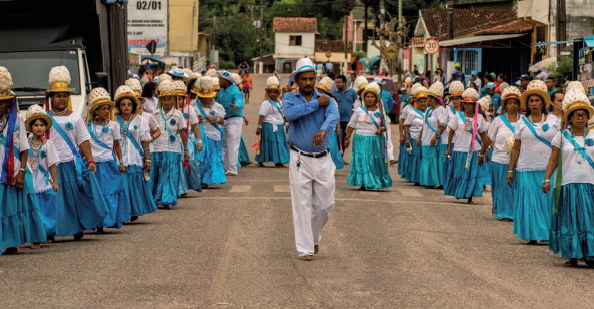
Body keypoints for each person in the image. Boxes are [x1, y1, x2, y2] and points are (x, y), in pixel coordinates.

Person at [283, 58, 339, 261]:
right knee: (302, 204)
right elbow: (290, 115)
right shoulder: (290, 99)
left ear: (315, 79)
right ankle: (305, 248)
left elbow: (333, 116)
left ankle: (314, 237)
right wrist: (315, 104)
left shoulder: (327, 99)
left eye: (311, 78)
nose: (308, 82)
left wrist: (323, 130)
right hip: (299, 157)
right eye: (304, 79)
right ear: (297, 79)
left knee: (326, 205)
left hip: (323, 158)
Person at [44, 66, 108, 241]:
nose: (62, 98)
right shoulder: (44, 117)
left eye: (65, 95)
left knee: (74, 197)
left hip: (72, 164)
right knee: (52, 198)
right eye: (58, 95)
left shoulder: (75, 118)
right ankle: (51, 231)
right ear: (51, 97)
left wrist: (90, 161)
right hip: (51, 165)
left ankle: (77, 227)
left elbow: (83, 141)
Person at [544, 89, 594, 267]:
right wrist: (547, 179)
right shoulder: (561, 136)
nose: (580, 118)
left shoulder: (593, 136)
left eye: (583, 115)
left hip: (589, 185)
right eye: (576, 115)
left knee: (589, 219)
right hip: (567, 184)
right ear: (569, 119)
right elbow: (553, 159)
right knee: (571, 219)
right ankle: (573, 256)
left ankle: (589, 255)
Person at [0, 71, 46, 254]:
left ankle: (12, 242)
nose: (1, 105)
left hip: (14, 172)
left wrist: (21, 172)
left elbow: (24, 148)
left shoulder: (18, 118)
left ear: (10, 101)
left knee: (12, 208)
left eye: (4, 101)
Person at [507, 80, 559, 245]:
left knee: (547, 201)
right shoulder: (521, 122)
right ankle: (533, 234)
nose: (534, 103)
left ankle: (547, 233)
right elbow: (516, 147)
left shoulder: (554, 121)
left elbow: (560, 145)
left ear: (543, 102)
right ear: (527, 104)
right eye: (531, 101)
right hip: (525, 167)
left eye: (537, 100)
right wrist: (510, 169)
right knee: (530, 201)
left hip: (548, 168)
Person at [86, 87, 130, 232]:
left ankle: (108, 221)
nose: (106, 111)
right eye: (103, 109)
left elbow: (117, 145)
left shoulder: (113, 125)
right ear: (95, 111)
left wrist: (121, 162)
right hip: (94, 165)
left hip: (109, 163)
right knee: (97, 194)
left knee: (110, 192)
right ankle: (97, 223)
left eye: (107, 109)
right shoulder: (87, 126)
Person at [113, 86, 157, 222]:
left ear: (133, 105)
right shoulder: (114, 120)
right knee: (121, 185)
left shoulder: (141, 120)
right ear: (119, 106)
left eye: (129, 104)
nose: (126, 106)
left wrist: (148, 159)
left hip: (135, 157)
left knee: (133, 185)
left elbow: (145, 141)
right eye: (123, 104)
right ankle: (122, 212)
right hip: (118, 157)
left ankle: (134, 211)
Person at [479, 87, 522, 220]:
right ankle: (503, 212)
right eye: (509, 103)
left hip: (519, 160)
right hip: (499, 159)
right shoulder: (498, 121)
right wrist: (481, 153)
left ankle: (515, 212)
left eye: (515, 103)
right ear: (504, 105)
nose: (512, 105)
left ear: (519, 105)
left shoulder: (524, 121)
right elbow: (489, 138)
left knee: (516, 186)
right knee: (501, 186)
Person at [344, 82, 392, 190]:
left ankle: (375, 182)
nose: (369, 99)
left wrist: (382, 128)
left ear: (376, 98)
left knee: (375, 161)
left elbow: (386, 125)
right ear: (364, 98)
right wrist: (347, 138)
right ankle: (364, 183)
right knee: (363, 160)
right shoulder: (359, 110)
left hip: (376, 140)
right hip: (360, 139)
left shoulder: (381, 111)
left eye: (372, 97)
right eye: (367, 97)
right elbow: (351, 125)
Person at [444, 88, 489, 204]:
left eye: (471, 104)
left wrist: (486, 152)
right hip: (460, 149)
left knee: (472, 173)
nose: (468, 107)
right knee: (460, 173)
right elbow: (451, 132)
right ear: (463, 104)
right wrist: (449, 148)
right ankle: (460, 192)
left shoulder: (479, 118)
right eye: (466, 104)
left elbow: (484, 136)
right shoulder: (458, 117)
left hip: (475, 151)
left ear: (475, 105)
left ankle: (470, 197)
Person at [150, 80, 190, 208]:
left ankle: (167, 199)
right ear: (161, 100)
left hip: (173, 149)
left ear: (174, 99)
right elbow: (150, 132)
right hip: (156, 149)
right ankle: (157, 198)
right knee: (158, 175)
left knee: (169, 175)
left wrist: (186, 150)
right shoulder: (155, 114)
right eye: (164, 99)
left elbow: (183, 134)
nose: (167, 102)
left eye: (170, 99)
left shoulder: (178, 115)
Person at [24, 105, 60, 247]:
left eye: (42, 125)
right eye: (36, 125)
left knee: (47, 209)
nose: (39, 128)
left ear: (46, 127)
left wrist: (55, 182)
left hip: (45, 181)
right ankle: (36, 236)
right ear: (30, 127)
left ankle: (48, 233)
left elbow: (52, 165)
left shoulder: (48, 145)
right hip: (31, 181)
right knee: (34, 210)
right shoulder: (25, 144)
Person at [192, 76, 226, 189]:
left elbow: (223, 121)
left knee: (212, 158)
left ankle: (207, 180)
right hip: (200, 135)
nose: (206, 99)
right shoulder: (193, 105)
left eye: (208, 97)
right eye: (203, 97)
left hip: (214, 135)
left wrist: (215, 119)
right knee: (201, 157)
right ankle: (199, 179)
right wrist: (195, 119)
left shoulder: (218, 107)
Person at [173, 80, 203, 195]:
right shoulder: (169, 111)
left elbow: (195, 125)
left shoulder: (190, 109)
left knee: (188, 164)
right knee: (177, 165)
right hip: (174, 142)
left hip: (187, 141)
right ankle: (180, 189)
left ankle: (186, 186)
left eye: (179, 98)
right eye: (174, 98)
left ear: (184, 98)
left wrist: (199, 141)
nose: (177, 101)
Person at [255, 76, 290, 168]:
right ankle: (275, 162)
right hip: (269, 126)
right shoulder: (266, 103)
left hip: (279, 125)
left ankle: (278, 161)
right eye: (270, 92)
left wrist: (286, 122)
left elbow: (282, 113)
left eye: (274, 92)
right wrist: (259, 127)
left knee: (279, 143)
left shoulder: (279, 102)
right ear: (268, 93)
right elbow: (261, 115)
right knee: (271, 143)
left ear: (277, 93)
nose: (272, 94)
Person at [418, 82, 447, 188]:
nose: (427, 100)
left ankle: (436, 182)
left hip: (434, 140)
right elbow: (424, 124)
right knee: (427, 159)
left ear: (433, 99)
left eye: (428, 98)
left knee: (433, 160)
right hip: (425, 139)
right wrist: (419, 138)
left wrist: (436, 136)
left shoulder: (440, 110)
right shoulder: (429, 109)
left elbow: (442, 125)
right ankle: (429, 181)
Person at [216, 71, 245, 176]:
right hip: (224, 119)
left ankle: (232, 170)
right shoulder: (222, 91)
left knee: (232, 144)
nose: (219, 81)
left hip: (234, 119)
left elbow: (239, 100)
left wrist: (236, 105)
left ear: (225, 80)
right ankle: (225, 168)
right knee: (224, 144)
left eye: (220, 80)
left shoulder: (234, 91)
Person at [317, 77, 345, 170]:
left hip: (330, 129)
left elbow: (336, 115)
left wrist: (337, 127)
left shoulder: (332, 100)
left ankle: (330, 167)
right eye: (318, 89)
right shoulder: (315, 99)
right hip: (318, 127)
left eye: (321, 90)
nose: (319, 91)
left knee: (331, 148)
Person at [404, 86, 429, 185]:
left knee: (425, 159)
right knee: (416, 158)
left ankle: (425, 179)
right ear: (417, 102)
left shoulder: (429, 112)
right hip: (414, 138)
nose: (423, 103)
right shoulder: (412, 112)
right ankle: (417, 179)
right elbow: (406, 125)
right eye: (421, 101)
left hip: (426, 140)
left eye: (424, 101)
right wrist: (406, 139)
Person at [442, 81, 464, 194]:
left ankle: (460, 188)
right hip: (449, 141)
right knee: (450, 166)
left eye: (458, 98)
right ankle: (450, 187)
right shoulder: (447, 110)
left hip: (462, 142)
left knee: (460, 167)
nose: (455, 101)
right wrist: (450, 125)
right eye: (453, 98)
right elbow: (442, 123)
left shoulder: (466, 111)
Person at [332, 75, 357, 149]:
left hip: (348, 122)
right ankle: (339, 159)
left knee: (345, 142)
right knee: (339, 141)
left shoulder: (352, 92)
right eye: (336, 82)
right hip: (338, 122)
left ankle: (341, 159)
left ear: (344, 82)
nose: (337, 84)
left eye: (339, 82)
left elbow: (356, 104)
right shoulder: (334, 93)